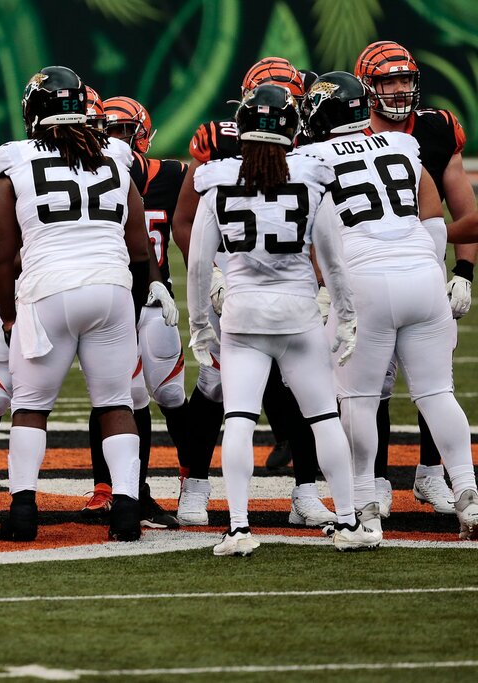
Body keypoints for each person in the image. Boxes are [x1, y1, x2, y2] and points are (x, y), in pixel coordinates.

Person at [188, 83, 379, 555]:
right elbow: (333, 263)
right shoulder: (313, 180)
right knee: (323, 419)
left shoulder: (216, 183)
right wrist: (348, 316)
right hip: (297, 315)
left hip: (243, 316)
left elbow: (197, 265)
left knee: (237, 419)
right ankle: (351, 521)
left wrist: (198, 325)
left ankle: (238, 529)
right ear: (293, 128)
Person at [298, 72, 478, 540]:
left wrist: (321, 284)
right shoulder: (400, 144)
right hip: (421, 275)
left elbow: (306, 232)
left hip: (363, 281)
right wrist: (433, 266)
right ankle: (469, 495)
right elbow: (432, 211)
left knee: (356, 399)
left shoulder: (307, 157)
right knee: (437, 393)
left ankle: (363, 511)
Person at [0, 65, 149, 543]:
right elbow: (139, 248)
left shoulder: (13, 158)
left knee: (31, 405)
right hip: (112, 286)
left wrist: (11, 315)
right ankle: (125, 509)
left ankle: (22, 511)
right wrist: (129, 306)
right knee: (115, 402)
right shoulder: (117, 154)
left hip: (47, 290)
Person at [172, 57, 337, 530]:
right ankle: (195, 485)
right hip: (236, 275)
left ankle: (305, 490)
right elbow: (188, 222)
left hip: (291, 283)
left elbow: (321, 231)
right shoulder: (218, 140)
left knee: (297, 386)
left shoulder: (310, 145)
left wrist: (322, 282)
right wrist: (214, 277)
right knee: (214, 384)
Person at [353, 41, 476, 518]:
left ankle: (429, 474)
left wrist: (462, 271)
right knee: (376, 385)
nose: (401, 89)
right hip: (375, 272)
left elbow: (467, 214)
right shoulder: (347, 132)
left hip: (416, 270)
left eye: (407, 79)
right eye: (390, 80)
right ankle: (379, 480)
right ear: (367, 88)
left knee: (431, 379)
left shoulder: (435, 129)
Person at [85, 95, 184, 529]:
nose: (116, 140)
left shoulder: (173, 175)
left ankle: (192, 479)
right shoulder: (85, 175)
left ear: (142, 135)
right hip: (111, 298)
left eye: (124, 130)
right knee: (119, 395)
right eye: (109, 130)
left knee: (172, 395)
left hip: (153, 298)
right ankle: (113, 490)